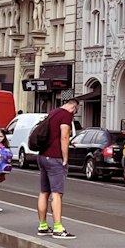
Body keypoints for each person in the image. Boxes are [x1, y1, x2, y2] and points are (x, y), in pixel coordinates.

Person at [37, 93, 79, 239]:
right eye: (75, 111)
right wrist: (65, 158)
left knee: (44, 192)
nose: (74, 114)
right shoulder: (66, 115)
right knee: (57, 193)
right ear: (73, 107)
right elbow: (64, 136)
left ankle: (42, 225)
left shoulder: (53, 113)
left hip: (42, 156)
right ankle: (58, 228)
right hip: (55, 158)